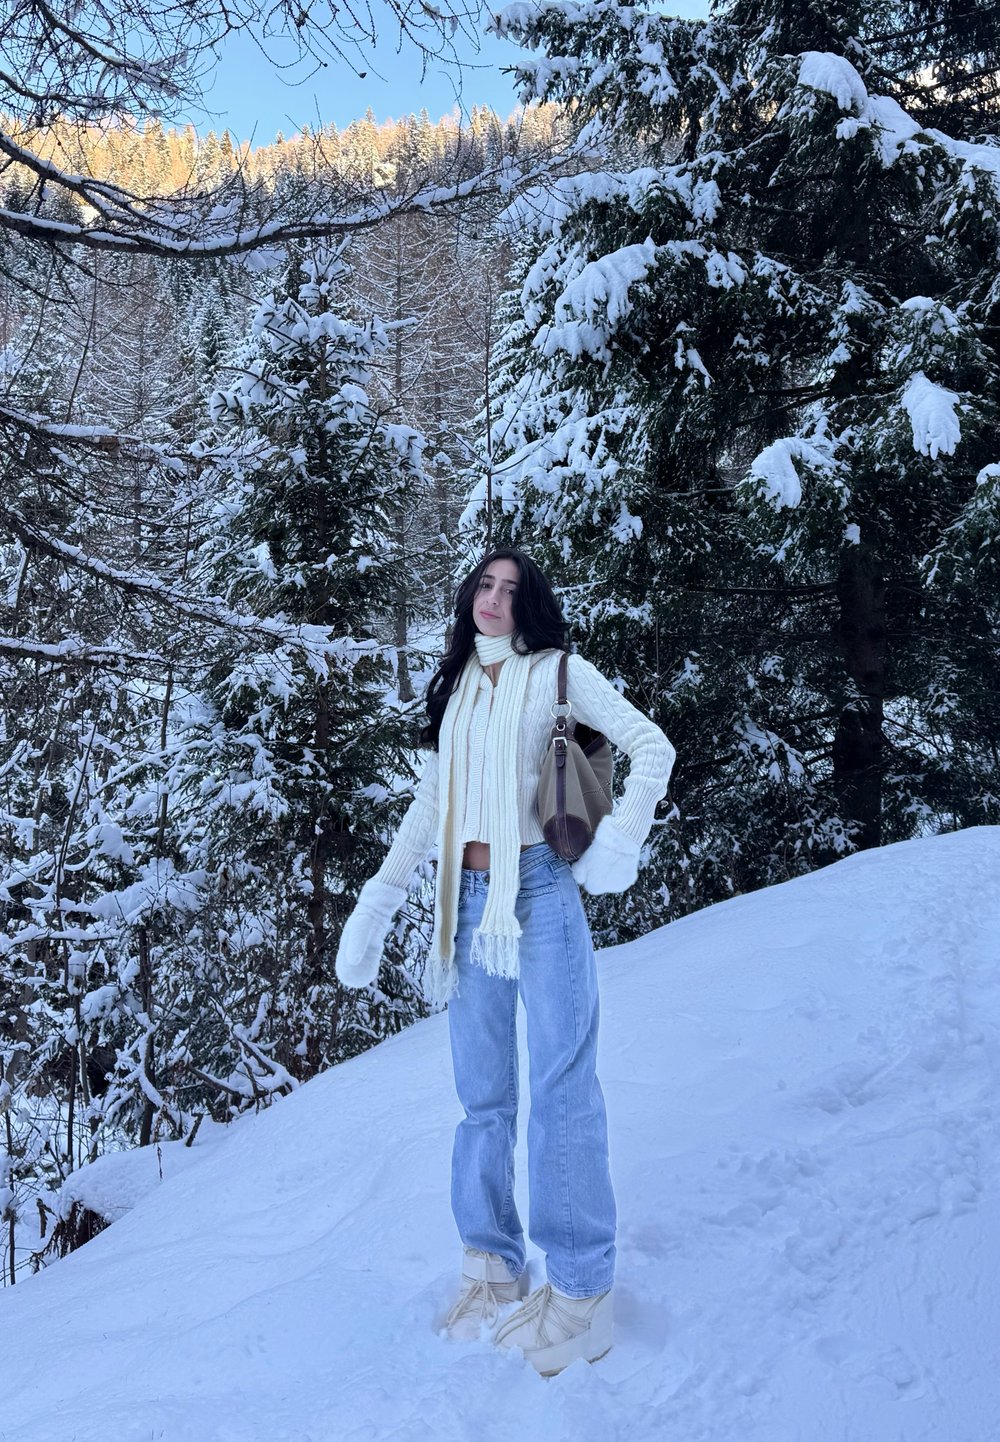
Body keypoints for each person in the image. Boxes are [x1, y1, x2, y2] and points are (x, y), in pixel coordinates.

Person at [335, 548, 675, 1376]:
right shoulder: (456, 687)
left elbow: (649, 746)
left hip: (541, 891)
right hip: (468, 900)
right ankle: (491, 1265)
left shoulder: (558, 671)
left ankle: (582, 1291)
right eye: (485, 584)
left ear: (531, 606)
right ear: (467, 596)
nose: (494, 598)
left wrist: (624, 836)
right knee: (483, 1094)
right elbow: (433, 800)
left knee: (563, 1087)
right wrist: (379, 899)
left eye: (511, 589)